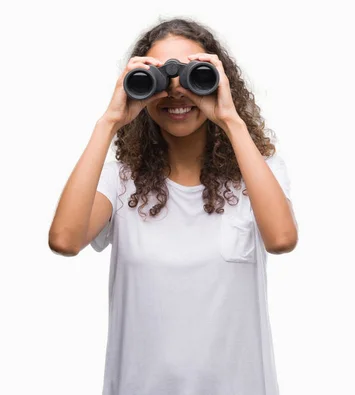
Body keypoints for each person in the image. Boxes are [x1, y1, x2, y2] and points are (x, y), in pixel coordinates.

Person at [49, 16, 298, 395]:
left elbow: (281, 238)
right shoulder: (120, 181)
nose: (177, 93)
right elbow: (64, 241)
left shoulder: (256, 173)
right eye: (162, 78)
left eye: (193, 74)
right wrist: (109, 122)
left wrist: (229, 118)